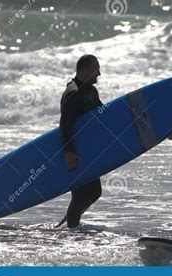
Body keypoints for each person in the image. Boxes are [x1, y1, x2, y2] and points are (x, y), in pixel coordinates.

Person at [57, 54, 103, 228]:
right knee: (83, 194)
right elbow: (65, 125)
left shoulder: (91, 91)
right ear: (85, 69)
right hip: (77, 152)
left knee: (93, 192)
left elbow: (104, 116)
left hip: (89, 152)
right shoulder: (73, 93)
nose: (99, 73)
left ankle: (70, 222)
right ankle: (71, 229)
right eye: (96, 68)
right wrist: (68, 152)